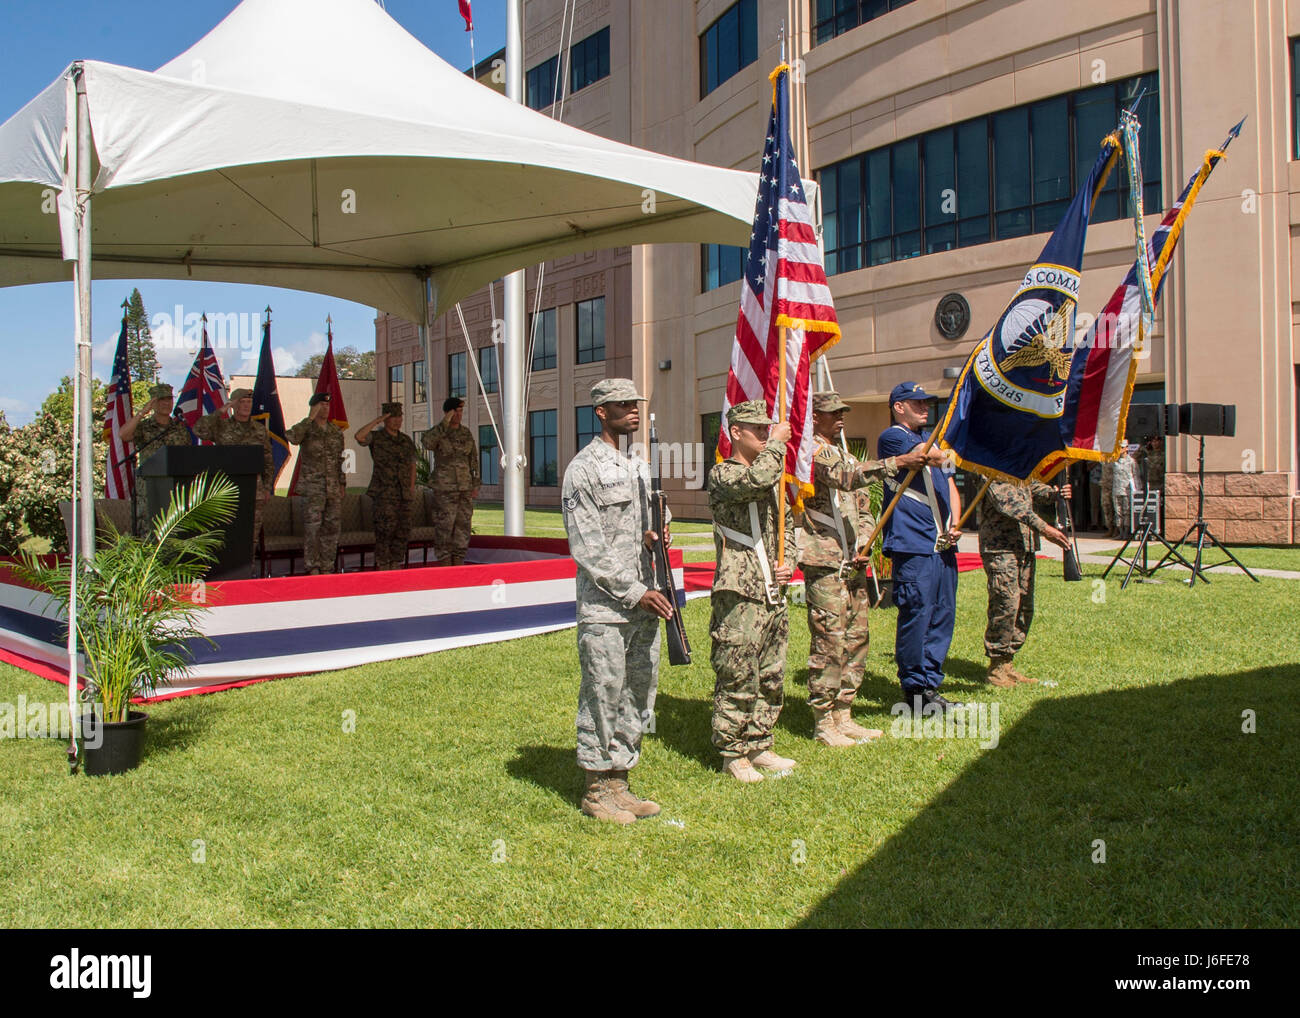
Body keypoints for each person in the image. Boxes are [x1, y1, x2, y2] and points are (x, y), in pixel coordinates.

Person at [561, 378, 672, 824]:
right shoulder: (582, 469)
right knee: (603, 691)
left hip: (646, 598)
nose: (632, 411)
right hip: (607, 606)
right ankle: (595, 787)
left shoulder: (639, 466)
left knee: (639, 691)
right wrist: (634, 592)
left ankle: (620, 780)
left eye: (635, 404)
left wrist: (656, 531)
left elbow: (654, 515)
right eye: (622, 405)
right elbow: (587, 547)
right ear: (600, 412)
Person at [798, 391, 929, 746]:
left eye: (842, 412)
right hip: (824, 558)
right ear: (814, 418)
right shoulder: (810, 452)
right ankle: (823, 720)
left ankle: (845, 711)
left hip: (852, 558)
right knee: (830, 638)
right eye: (831, 413)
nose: (840, 417)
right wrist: (898, 462)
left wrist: (866, 541)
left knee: (856, 638)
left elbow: (862, 505)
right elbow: (845, 477)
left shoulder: (841, 451)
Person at [709, 399, 796, 782]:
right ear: (735, 433)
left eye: (767, 428)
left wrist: (787, 561)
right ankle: (732, 751)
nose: (764, 433)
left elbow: (787, 526)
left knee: (771, 670)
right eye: (756, 429)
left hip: (771, 588)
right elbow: (753, 482)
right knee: (737, 669)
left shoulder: (773, 473)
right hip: (739, 589)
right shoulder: (723, 474)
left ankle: (760, 742)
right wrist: (777, 443)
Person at [876, 382, 963, 714]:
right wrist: (955, 453)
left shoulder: (937, 443)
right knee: (918, 613)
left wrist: (955, 522)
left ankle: (930, 683)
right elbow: (933, 458)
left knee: (943, 613)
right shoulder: (894, 437)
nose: (925, 408)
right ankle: (914, 690)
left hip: (941, 543)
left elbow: (952, 481)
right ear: (899, 407)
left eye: (927, 403)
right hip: (913, 543)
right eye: (916, 403)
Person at [978, 480, 1072, 687]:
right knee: (1006, 605)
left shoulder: (1019, 467)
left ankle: (1008, 663)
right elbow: (1007, 503)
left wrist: (1054, 494)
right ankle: (996, 666)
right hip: (1000, 547)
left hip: (1025, 545)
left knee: (1024, 607)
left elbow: (1032, 488)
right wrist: (1045, 528)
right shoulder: (990, 467)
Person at [193, 387, 274, 551]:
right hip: (228, 488)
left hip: (254, 488)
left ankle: (248, 571)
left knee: (252, 535)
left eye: (249, 402)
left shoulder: (259, 430)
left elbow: (267, 459)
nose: (246, 406)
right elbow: (199, 430)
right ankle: (230, 573)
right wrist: (221, 411)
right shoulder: (222, 426)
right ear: (233, 405)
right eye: (242, 402)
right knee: (228, 533)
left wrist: (267, 487)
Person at [119, 382, 191, 536]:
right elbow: (124, 435)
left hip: (174, 487)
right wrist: (142, 412)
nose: (166, 403)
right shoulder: (145, 427)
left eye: (169, 399)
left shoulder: (179, 428)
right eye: (161, 400)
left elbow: (187, 455)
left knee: (174, 530)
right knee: (148, 530)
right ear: (153, 403)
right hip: (149, 488)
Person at [287, 392, 345, 575]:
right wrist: (309, 418)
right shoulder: (307, 429)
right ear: (314, 407)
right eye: (321, 405)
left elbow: (340, 459)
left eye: (327, 405)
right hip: (313, 487)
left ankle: (328, 565)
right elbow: (292, 437)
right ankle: (313, 565)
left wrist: (342, 483)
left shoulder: (335, 431)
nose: (325, 408)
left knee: (332, 528)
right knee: (313, 528)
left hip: (333, 488)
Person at [356, 402, 419, 571]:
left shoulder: (406, 440)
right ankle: (383, 565)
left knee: (402, 530)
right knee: (384, 531)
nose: (397, 421)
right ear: (386, 419)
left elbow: (413, 464)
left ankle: (395, 563)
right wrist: (376, 421)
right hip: (384, 494)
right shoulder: (376, 438)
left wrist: (411, 487)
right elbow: (359, 437)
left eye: (399, 417)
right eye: (393, 417)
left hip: (404, 493)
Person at [421, 396, 480, 566]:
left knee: (463, 526)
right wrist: (444, 423)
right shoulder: (439, 432)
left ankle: (459, 561)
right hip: (445, 489)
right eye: (456, 411)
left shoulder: (465, 433)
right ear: (448, 413)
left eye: (461, 411)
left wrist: (475, 484)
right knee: (445, 526)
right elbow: (427, 443)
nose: (459, 415)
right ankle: (445, 563)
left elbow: (473, 460)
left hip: (465, 488)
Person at [1112, 445, 1138, 540]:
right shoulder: (1114, 461)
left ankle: (1127, 532)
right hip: (1116, 489)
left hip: (1127, 490)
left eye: (1121, 447)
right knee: (1118, 512)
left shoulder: (1131, 461)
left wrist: (1137, 490)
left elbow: (1136, 475)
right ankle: (1120, 532)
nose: (1119, 449)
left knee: (1127, 512)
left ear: (1126, 448)